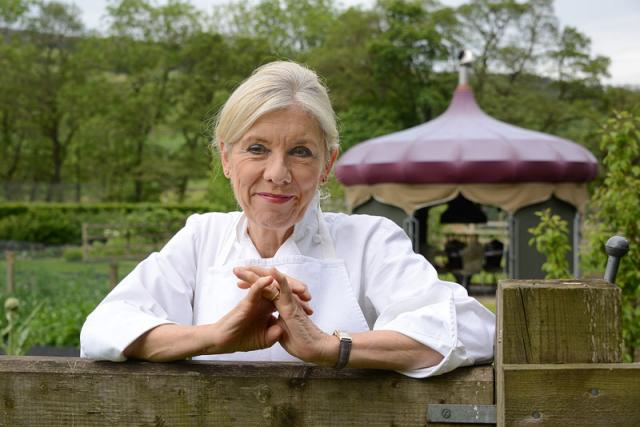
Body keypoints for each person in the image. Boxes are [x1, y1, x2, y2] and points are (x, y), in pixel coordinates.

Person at [80, 61, 495, 378]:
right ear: (226, 158)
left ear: (327, 164)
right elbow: (105, 327)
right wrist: (215, 336)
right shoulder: (201, 237)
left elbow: (472, 329)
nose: (277, 173)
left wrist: (329, 347)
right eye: (256, 148)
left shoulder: (369, 241)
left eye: (300, 152)